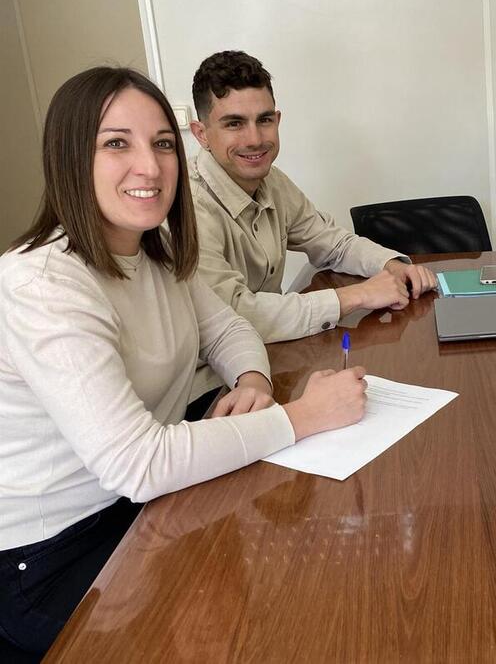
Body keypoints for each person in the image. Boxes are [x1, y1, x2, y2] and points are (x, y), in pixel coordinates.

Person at [0, 67, 368, 658]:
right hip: (53, 551)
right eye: (116, 143)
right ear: (70, 158)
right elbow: (135, 463)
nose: (149, 166)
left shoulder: (157, 250)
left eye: (161, 144)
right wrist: (303, 417)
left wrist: (251, 379)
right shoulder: (41, 283)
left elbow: (228, 328)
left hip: (144, 506)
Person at [187, 50, 437, 349]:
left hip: (267, 353)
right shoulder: (187, 206)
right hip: (213, 382)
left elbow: (332, 242)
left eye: (264, 120)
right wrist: (356, 295)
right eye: (234, 124)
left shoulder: (272, 181)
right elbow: (232, 314)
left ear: (277, 120)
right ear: (201, 134)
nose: (254, 139)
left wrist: (392, 265)